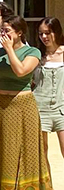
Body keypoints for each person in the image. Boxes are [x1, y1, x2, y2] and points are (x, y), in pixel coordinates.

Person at [0, 16, 55, 190]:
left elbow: (21, 71)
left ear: (19, 33)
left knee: (26, 150)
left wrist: (10, 50)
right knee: (0, 149)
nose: (3, 34)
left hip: (22, 105)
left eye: (8, 31)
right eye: (2, 30)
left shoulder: (32, 51)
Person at [35, 17, 64, 164]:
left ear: (56, 32)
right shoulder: (37, 55)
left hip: (61, 107)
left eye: (48, 33)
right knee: (42, 150)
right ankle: (49, 187)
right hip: (40, 107)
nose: (44, 37)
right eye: (41, 33)